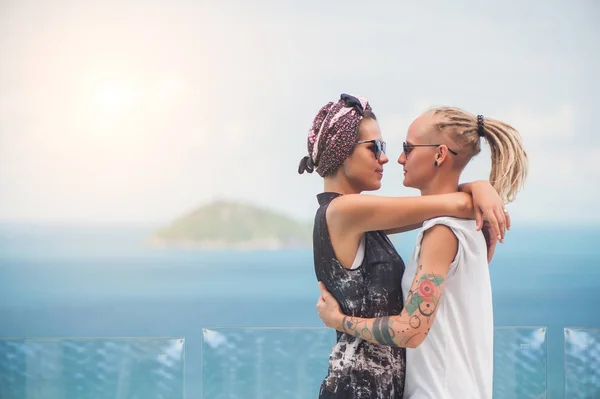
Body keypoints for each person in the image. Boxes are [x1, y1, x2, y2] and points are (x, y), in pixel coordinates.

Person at [299, 94, 509, 399]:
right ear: (344, 153)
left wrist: (477, 188)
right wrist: (479, 189)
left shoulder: (364, 222)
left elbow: (435, 206)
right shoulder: (344, 213)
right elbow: (445, 204)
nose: (386, 157)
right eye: (376, 148)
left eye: (392, 148)